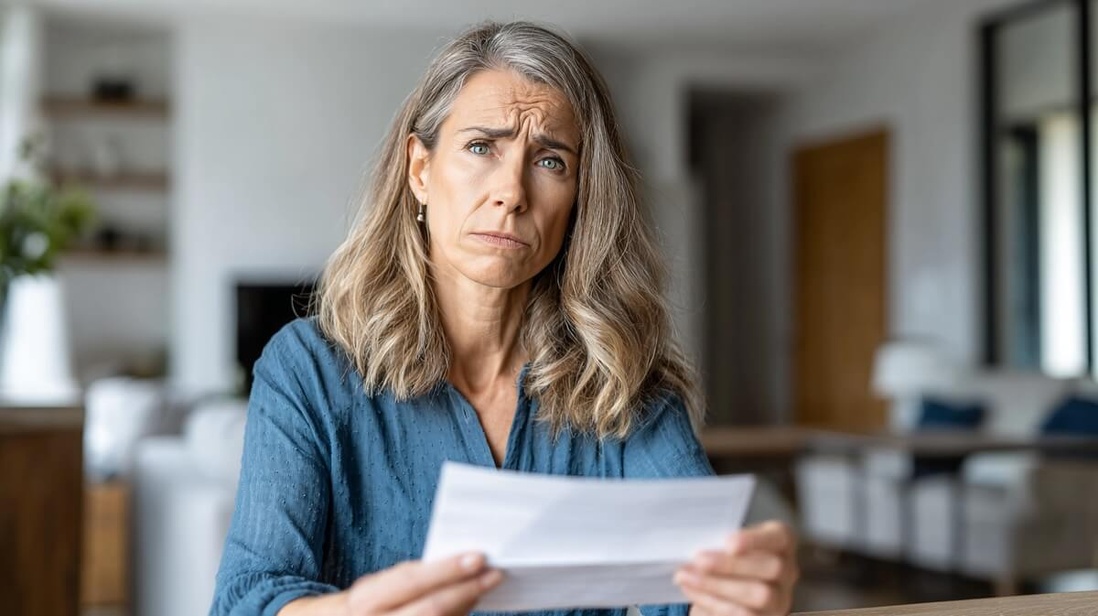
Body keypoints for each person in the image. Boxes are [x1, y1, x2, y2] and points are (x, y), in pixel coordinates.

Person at [211, 20, 799, 616]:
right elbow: (249, 597)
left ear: (578, 199)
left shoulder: (624, 384)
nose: (512, 192)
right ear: (420, 169)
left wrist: (739, 596)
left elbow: (694, 587)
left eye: (550, 161)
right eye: (480, 147)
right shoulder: (307, 370)